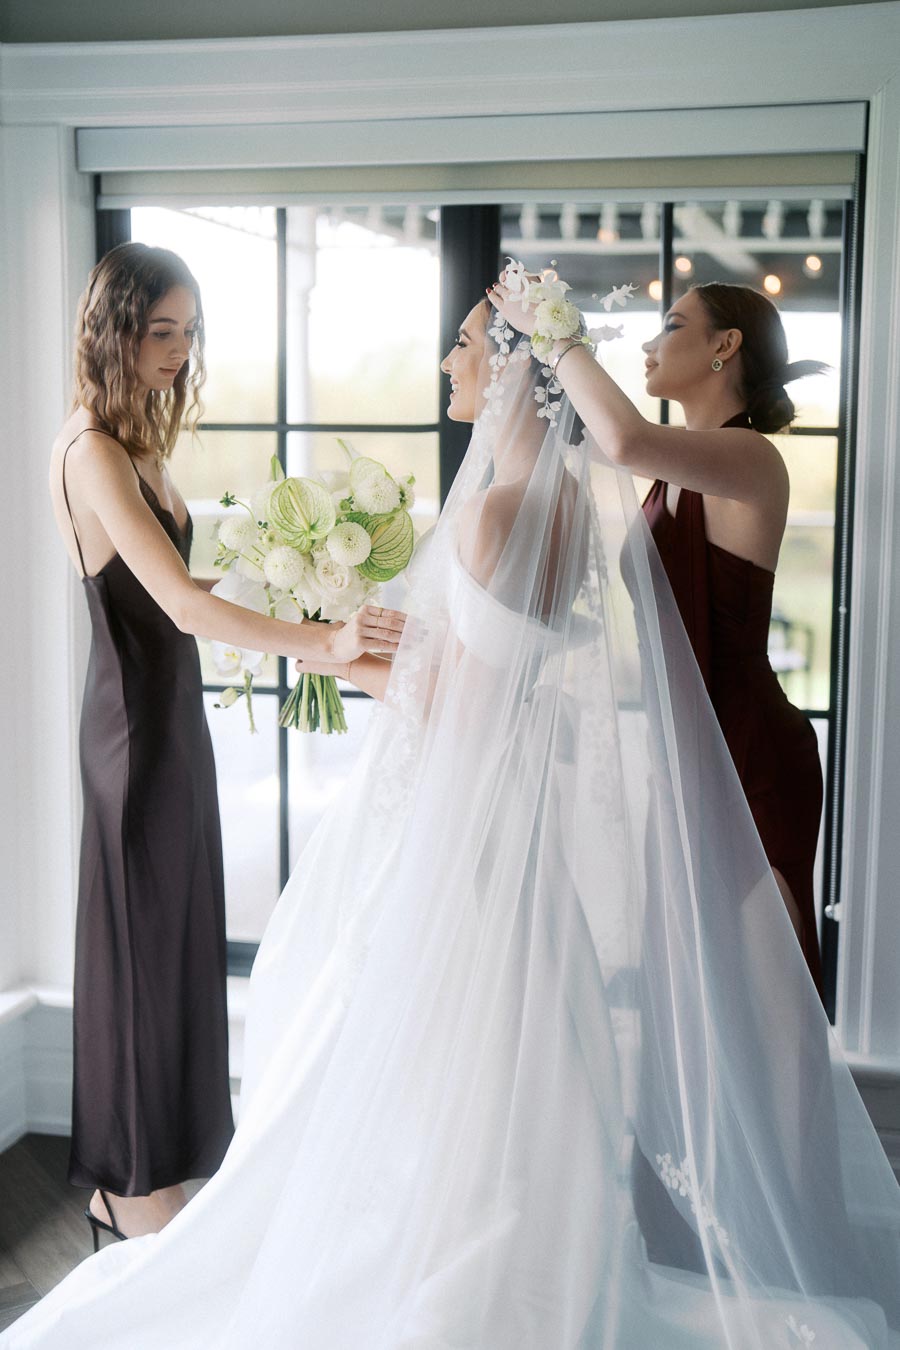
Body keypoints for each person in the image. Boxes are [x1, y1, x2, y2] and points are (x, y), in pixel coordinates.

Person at [6, 282, 899, 1347]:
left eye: (467, 344)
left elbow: (467, 698)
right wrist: (366, 651)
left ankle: (656, 1230)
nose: (447, 363)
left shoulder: (498, 511)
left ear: (514, 364)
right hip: (530, 822)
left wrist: (365, 660)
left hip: (595, 794)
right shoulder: (561, 505)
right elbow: (518, 682)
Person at [45, 243, 405, 1249]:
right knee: (133, 959)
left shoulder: (138, 444)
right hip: (130, 736)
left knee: (173, 953)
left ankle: (159, 1171)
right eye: (160, 329)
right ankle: (122, 1190)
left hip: (174, 730)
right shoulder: (91, 453)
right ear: (112, 330)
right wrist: (320, 647)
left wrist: (315, 613)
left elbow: (196, 602)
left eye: (189, 331)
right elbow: (175, 606)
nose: (178, 349)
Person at [488, 276, 827, 997]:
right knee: (696, 994)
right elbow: (578, 439)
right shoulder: (675, 469)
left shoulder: (750, 458)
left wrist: (558, 334)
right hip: (687, 753)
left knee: (765, 1005)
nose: (646, 343)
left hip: (748, 752)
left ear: (724, 347)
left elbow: (622, 435)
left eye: (670, 326)